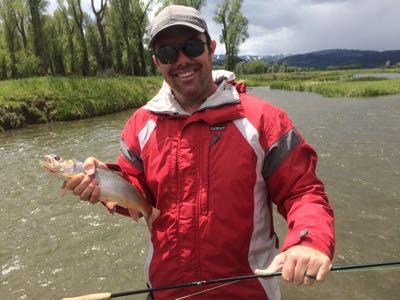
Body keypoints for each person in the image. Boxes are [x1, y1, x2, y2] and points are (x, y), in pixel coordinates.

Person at [65, 5, 335, 300]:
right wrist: (102, 182)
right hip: (164, 292)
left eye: (191, 47)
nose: (182, 60)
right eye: (168, 53)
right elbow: (137, 194)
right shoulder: (139, 125)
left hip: (247, 293)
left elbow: (303, 192)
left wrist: (308, 241)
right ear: (157, 62)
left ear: (211, 48)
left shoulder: (264, 120)